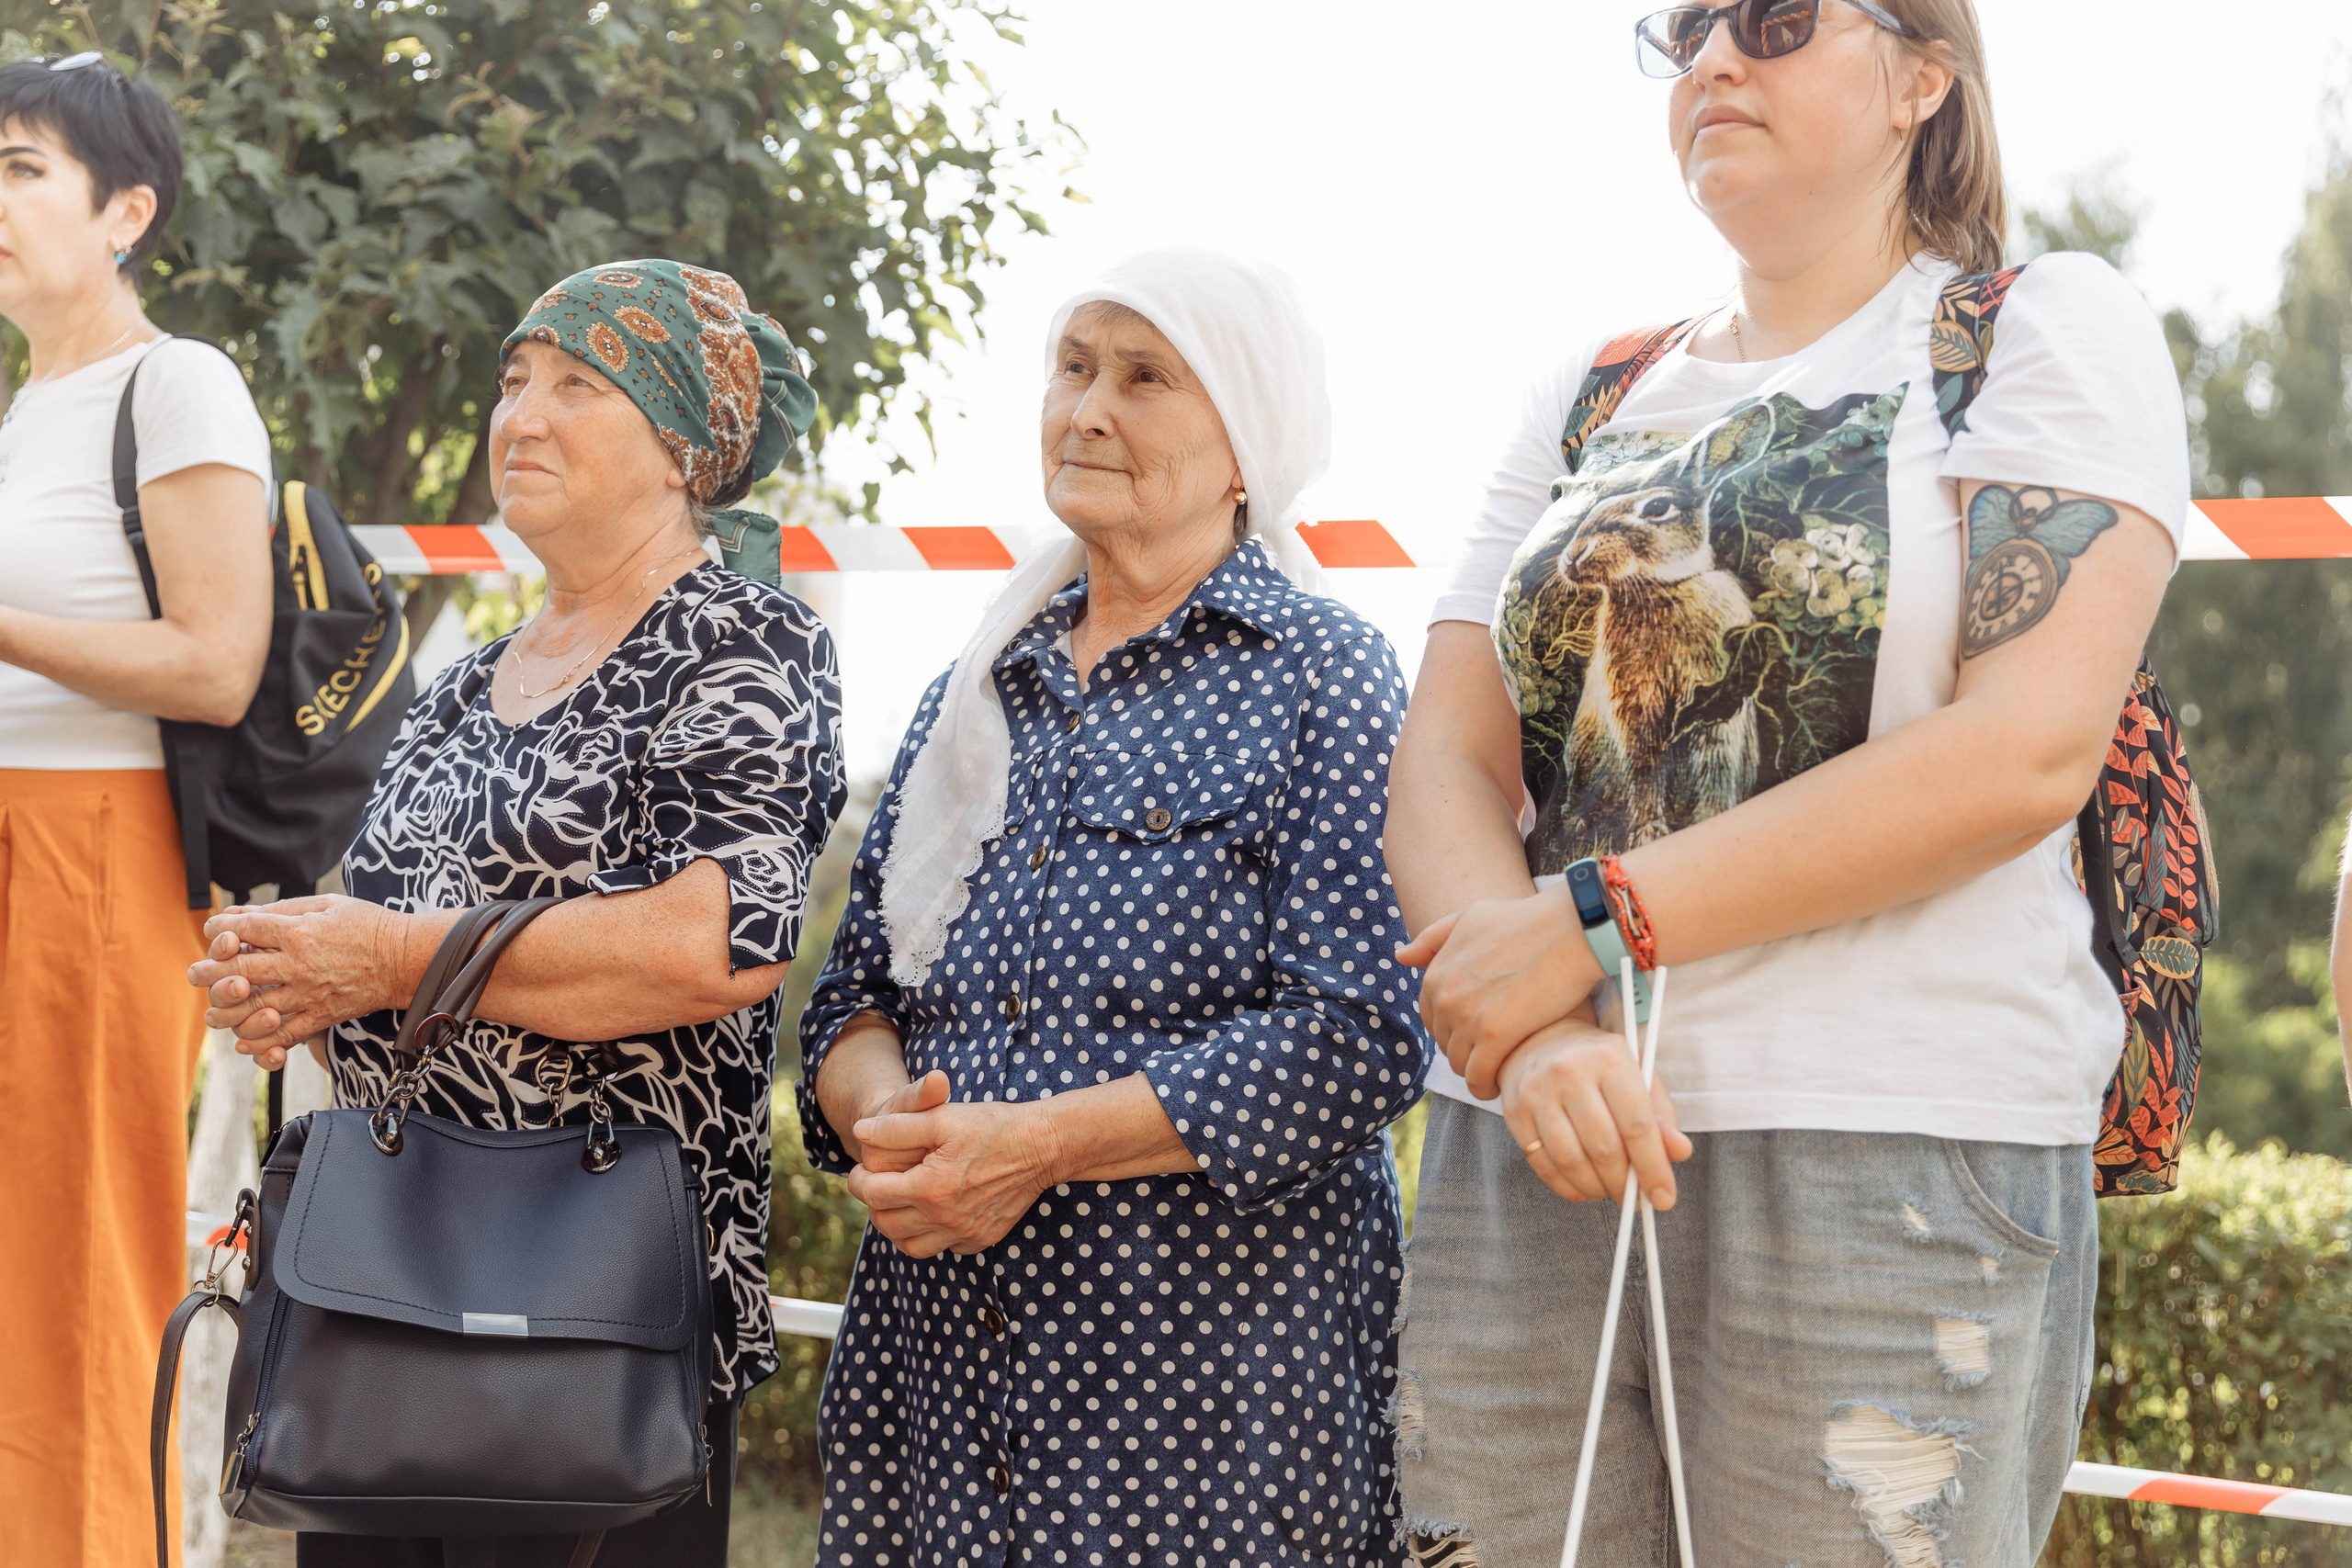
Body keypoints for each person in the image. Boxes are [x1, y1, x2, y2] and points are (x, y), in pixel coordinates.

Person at [1386, 2, 2187, 1563]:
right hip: (1527, 1143)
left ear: (1924, 74)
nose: (1710, 63)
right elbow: (1448, 755)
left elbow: (2021, 749)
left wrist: (1595, 920)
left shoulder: (2039, 329)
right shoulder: (1591, 392)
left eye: (1773, 20)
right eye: (1681, 32)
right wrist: (1540, 1037)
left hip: (1888, 1153)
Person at [187, 259, 843, 1567]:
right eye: (512, 381)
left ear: (678, 448)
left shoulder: (745, 640)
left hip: (594, 1316)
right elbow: (389, 959)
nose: (520, 416)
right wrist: (303, 980)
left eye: (576, 385)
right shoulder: (466, 679)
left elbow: (715, 945)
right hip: (388, 1292)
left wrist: (380, 955)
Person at [797, 249, 1430, 1568]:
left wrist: (1034, 1145)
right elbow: (852, 996)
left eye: (1145, 379)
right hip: (944, 1374)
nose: (1087, 408)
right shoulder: (975, 689)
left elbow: (1364, 1032)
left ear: (1246, 446)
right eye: (1073, 368)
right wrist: (895, 1128)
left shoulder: (1323, 677)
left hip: (1207, 1400)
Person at [0, 51, 274, 1568]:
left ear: (125, 211)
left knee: (77, 1273)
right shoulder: (27, 406)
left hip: (96, 861)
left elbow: (217, 663)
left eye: (22, 168)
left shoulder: (177, 382)